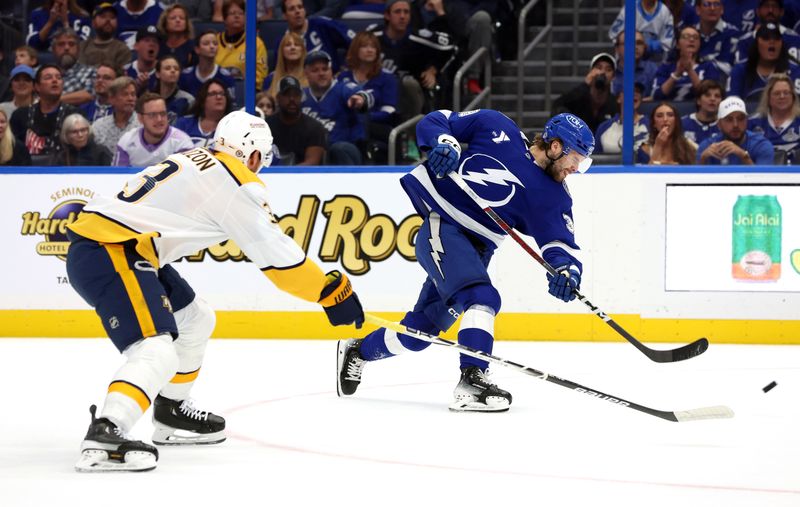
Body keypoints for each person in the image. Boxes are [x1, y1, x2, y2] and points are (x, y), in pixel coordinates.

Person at [66, 110, 364, 472]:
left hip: (119, 246)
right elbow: (278, 258)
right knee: (156, 350)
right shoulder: (236, 180)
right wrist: (330, 293)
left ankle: (171, 407)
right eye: (262, 160)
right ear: (253, 154)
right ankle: (107, 430)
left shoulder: (196, 158)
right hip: (112, 249)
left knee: (195, 319)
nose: (260, 167)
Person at [336, 109, 595, 412]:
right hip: (442, 228)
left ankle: (358, 352)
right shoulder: (497, 127)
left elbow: (558, 243)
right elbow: (436, 120)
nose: (576, 168)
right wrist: (445, 143)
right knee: (482, 297)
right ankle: (472, 380)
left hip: (477, 252)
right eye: (575, 159)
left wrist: (567, 270)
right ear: (555, 147)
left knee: (422, 331)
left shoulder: (554, 196)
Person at [372, 0, 455, 119]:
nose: (402, 16)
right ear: (387, 15)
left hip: (410, 94)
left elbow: (450, 47)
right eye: (397, 12)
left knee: (408, 83)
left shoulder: (418, 37)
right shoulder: (374, 36)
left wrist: (433, 70)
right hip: (378, 90)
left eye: (406, 12)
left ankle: (412, 129)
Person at [301, 50, 372, 165]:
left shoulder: (343, 89)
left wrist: (360, 98)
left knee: (339, 149)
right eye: (315, 70)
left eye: (325, 69)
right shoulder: (301, 96)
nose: (321, 73)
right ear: (306, 74)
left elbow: (365, 95)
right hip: (312, 151)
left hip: (343, 150)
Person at [339, 31, 399, 163]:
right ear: (355, 50)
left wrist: (363, 117)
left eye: (373, 47)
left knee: (359, 126)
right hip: (347, 125)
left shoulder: (387, 78)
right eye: (365, 46)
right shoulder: (343, 77)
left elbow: (389, 112)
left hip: (377, 126)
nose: (370, 50)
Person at [10, 64, 84, 164]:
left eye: (58, 77)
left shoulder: (74, 115)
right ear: (37, 86)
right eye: (48, 77)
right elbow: (11, 149)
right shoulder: (20, 115)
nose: (55, 80)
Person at [114, 93, 194, 166]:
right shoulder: (127, 141)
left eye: (162, 114)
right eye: (152, 115)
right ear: (140, 118)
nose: (159, 119)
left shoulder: (182, 142)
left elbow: (187, 177)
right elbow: (118, 176)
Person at [729, 22, 800, 101]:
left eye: (776, 39)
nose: (772, 42)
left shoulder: (795, 70)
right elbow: (732, 103)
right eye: (766, 38)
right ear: (757, 43)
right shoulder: (740, 70)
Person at [652, 25, 724, 102]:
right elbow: (657, 95)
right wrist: (677, 74)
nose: (692, 39)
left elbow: (710, 97)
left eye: (696, 37)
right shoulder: (665, 67)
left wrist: (690, 71)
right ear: (677, 44)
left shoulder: (709, 67)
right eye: (686, 36)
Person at [266, 75, 327, 165]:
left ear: (301, 97)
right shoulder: (266, 126)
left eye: (296, 95)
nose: (292, 99)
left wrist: (285, 174)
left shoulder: (315, 128)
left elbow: (312, 163)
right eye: (287, 95)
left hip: (303, 177)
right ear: (278, 97)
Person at [281, 0, 353, 73]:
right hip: (301, 82)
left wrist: (347, 69)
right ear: (285, 16)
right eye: (292, 9)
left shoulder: (322, 24)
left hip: (332, 79)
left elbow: (356, 42)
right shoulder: (283, 42)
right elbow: (279, 70)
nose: (297, 11)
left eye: (300, 7)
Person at [697, 96, 774, 164]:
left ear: (746, 121)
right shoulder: (707, 147)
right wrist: (702, 160)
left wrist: (744, 156)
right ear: (719, 124)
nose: (735, 125)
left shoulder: (761, 145)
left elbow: (762, 179)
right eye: (729, 119)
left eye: (740, 119)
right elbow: (697, 179)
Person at [553, 53, 618, 133]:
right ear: (590, 71)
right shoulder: (579, 97)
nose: (603, 72)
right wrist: (585, 84)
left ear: (613, 76)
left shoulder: (615, 103)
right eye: (599, 68)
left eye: (608, 69)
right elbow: (557, 105)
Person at [749, 73, 800, 161]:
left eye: (786, 93)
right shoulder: (752, 123)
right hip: (762, 172)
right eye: (777, 93)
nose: (782, 96)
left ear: (793, 97)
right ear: (768, 97)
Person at [215, 0, 268, 83]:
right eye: (232, 13)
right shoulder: (214, 41)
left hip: (245, 91)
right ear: (224, 18)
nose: (237, 16)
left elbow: (261, 75)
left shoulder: (256, 43)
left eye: (241, 13)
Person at [179, 30, 237, 103]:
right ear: (197, 49)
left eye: (215, 43)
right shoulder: (185, 75)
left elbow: (231, 105)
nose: (212, 46)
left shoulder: (226, 76)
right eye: (206, 44)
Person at [609, 0, 675, 61]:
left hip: (654, 61)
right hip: (629, 60)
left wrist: (650, 46)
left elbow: (668, 43)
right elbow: (614, 35)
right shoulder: (630, 8)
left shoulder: (665, 11)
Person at [594, 82, 650, 155]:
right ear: (618, 99)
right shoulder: (604, 127)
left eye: (638, 91)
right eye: (629, 91)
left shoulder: (650, 125)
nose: (635, 94)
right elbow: (596, 159)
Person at [175, 79, 234, 147]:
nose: (219, 97)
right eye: (213, 94)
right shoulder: (183, 124)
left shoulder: (232, 127)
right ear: (203, 99)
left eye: (222, 94)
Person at [92, 76, 140, 154]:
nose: (130, 98)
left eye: (133, 94)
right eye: (125, 94)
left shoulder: (143, 125)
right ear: (111, 99)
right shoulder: (99, 126)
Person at [78, 3, 131, 71]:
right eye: (103, 16)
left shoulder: (122, 49)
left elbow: (122, 77)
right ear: (93, 22)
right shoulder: (82, 47)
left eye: (112, 17)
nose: (108, 20)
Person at [693, 0, 740, 74]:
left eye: (717, 4)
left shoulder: (732, 33)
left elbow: (728, 68)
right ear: (698, 10)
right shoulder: (691, 33)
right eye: (706, 4)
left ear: (722, 10)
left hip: (720, 82)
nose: (712, 8)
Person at [51, 28, 96, 106]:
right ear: (53, 50)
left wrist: (51, 101)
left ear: (78, 50)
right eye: (61, 44)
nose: (66, 48)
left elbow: (89, 95)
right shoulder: (41, 72)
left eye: (71, 44)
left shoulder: (90, 72)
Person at [26, 0, 91, 51]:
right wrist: (50, 22)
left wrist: (65, 22)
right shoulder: (37, 14)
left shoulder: (82, 16)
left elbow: (83, 46)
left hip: (74, 59)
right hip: (45, 58)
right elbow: (31, 44)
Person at [611, 30, 659, 97]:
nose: (635, 47)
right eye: (628, 43)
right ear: (617, 48)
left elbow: (656, 98)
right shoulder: (610, 70)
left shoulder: (652, 69)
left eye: (639, 43)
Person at [262, 31, 308, 98]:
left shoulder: (311, 77)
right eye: (288, 45)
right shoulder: (270, 79)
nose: (293, 48)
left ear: (302, 50)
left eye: (297, 44)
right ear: (282, 51)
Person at [153, 55, 195, 123]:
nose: (173, 71)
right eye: (167, 68)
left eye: (176, 69)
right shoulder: (149, 100)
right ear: (158, 74)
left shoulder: (188, 100)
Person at [682, 78, 723, 145]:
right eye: (707, 95)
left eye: (717, 96)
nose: (713, 99)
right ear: (698, 100)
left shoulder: (726, 125)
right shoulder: (682, 124)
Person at [157, 4, 196, 69]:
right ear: (165, 23)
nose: (178, 20)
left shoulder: (193, 46)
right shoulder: (158, 45)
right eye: (173, 18)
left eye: (182, 18)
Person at [126, 25, 162, 94]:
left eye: (155, 41)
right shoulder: (125, 71)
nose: (152, 44)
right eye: (147, 40)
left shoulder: (164, 72)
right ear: (136, 46)